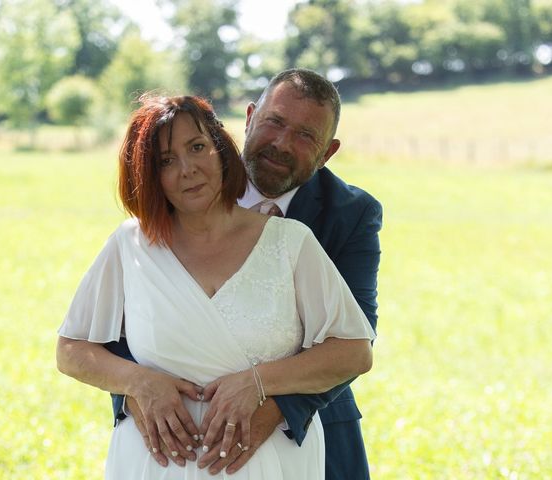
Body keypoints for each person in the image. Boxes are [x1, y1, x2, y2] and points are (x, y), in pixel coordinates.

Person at [56, 93, 376, 479]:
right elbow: (71, 349)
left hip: (271, 459)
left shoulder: (293, 242)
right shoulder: (129, 245)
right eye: (166, 161)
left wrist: (256, 385)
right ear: (147, 174)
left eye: (197, 148)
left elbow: (354, 351)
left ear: (220, 149)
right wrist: (137, 383)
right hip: (158, 462)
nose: (187, 169)